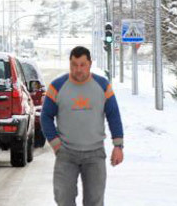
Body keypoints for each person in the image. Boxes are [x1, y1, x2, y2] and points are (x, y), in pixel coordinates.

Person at [40, 46, 124, 206]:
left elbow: (113, 115)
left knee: (94, 201)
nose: (78, 69)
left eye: (82, 65)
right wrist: (56, 144)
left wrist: (118, 145)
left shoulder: (102, 85)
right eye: (74, 65)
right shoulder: (57, 86)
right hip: (66, 154)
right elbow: (45, 117)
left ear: (90, 64)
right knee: (63, 198)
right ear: (70, 64)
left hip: (95, 154)